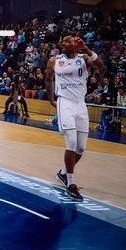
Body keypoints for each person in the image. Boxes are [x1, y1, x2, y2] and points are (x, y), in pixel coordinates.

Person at [46, 35, 103, 202]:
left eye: (68, 41)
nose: (64, 43)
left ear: (76, 44)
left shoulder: (84, 58)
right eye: (62, 41)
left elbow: (100, 65)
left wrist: (86, 48)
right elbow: (48, 80)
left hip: (80, 104)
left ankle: (63, 174)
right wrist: (51, 99)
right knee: (70, 143)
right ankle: (71, 185)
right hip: (65, 102)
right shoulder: (54, 60)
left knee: (81, 148)